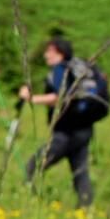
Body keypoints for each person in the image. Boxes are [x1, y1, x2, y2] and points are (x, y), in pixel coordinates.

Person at [19, 36, 95, 207]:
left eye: (49, 51)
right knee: (80, 173)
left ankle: (29, 202)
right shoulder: (75, 70)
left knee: (33, 166)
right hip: (84, 131)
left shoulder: (60, 70)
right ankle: (85, 210)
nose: (46, 55)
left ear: (59, 53)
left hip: (65, 132)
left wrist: (31, 98)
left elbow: (60, 97)